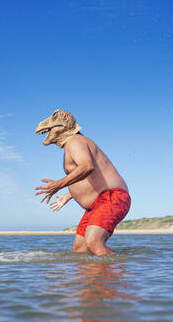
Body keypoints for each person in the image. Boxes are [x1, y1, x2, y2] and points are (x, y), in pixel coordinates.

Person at [35, 109, 130, 256]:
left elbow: (87, 167)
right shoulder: (72, 144)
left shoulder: (74, 141)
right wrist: (69, 194)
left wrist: (59, 184)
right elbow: (91, 175)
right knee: (80, 249)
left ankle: (119, 277)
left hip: (111, 197)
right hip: (95, 204)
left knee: (94, 243)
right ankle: (92, 279)